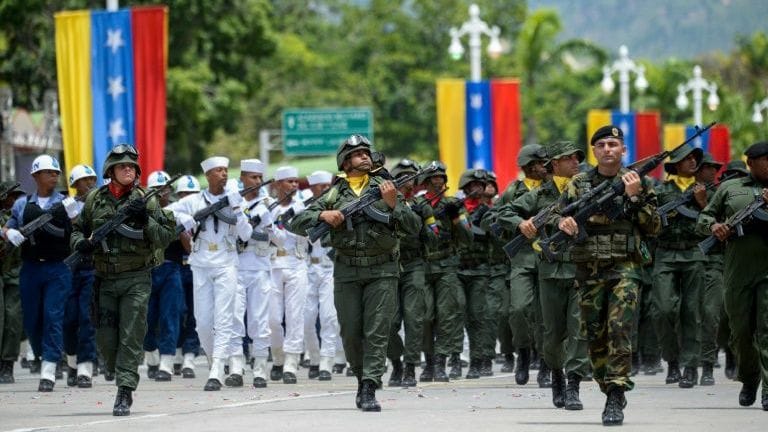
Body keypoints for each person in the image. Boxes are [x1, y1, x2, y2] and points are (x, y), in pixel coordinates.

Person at [288, 135, 420, 411]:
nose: (364, 156)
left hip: (383, 269)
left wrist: (394, 204)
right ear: (345, 162)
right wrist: (324, 216)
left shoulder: (385, 187)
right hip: (347, 270)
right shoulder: (335, 194)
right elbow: (297, 221)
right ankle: (362, 378)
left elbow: (414, 228)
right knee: (349, 331)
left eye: (366, 152)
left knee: (377, 330)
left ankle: (370, 385)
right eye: (357, 154)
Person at [551, 125, 660, 425]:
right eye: (601, 145)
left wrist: (634, 198)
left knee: (620, 329)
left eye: (613, 144)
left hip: (626, 267)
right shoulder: (578, 184)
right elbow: (560, 216)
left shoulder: (639, 182)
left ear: (624, 150)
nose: (608, 149)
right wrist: (564, 224)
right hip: (589, 269)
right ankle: (607, 383)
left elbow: (654, 227)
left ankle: (615, 393)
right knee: (595, 335)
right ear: (594, 152)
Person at [71, 144, 176, 415]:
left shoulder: (147, 199)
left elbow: (165, 237)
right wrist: (80, 243)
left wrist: (145, 220)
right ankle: (115, 368)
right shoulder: (95, 199)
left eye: (132, 165)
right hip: (104, 279)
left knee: (130, 336)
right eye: (122, 166)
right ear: (111, 171)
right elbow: (77, 230)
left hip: (136, 279)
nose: (128, 169)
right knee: (106, 340)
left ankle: (124, 391)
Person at [497, 140, 590, 409]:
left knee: (578, 330)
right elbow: (505, 212)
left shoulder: (588, 189)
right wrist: (522, 223)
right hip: (549, 271)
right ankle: (557, 375)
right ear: (554, 165)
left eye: (577, 158)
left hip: (580, 269)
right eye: (569, 158)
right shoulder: (540, 194)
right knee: (551, 334)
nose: (575, 162)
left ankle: (573, 386)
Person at [165, 156, 253, 391]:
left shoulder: (234, 199)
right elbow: (164, 212)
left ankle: (216, 370)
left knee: (224, 318)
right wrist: (185, 219)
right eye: (218, 170)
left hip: (226, 263)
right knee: (203, 323)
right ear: (208, 175)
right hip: (201, 264)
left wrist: (237, 207)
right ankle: (217, 360)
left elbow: (246, 234)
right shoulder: (194, 201)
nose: (224, 174)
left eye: (225, 170)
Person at [696, 141, 768, 411]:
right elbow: (704, 218)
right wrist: (714, 226)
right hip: (738, 270)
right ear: (750, 163)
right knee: (740, 332)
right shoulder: (729, 188)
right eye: (766, 160)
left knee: (767, 329)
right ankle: (750, 378)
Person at [2, 154, 75, 392]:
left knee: (53, 315)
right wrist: (8, 234)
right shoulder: (23, 204)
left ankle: (49, 369)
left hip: (58, 267)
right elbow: (9, 226)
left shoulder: (66, 202)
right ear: (35, 176)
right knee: (32, 320)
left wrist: (74, 215)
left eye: (56, 173)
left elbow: (80, 228)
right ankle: (45, 355)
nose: (54, 176)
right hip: (31, 267)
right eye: (48, 172)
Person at [494, 144, 550, 386]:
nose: (544, 167)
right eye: (540, 163)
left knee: (547, 315)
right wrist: (518, 224)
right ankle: (523, 354)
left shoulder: (555, 188)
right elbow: (496, 219)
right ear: (529, 166)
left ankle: (548, 364)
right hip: (522, 259)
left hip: (550, 257)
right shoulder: (513, 191)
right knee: (517, 310)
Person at [652, 144, 705, 388]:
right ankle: (672, 361)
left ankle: (691, 366)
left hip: (693, 252)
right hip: (665, 253)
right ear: (677, 164)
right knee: (663, 310)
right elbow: (649, 220)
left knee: (691, 311)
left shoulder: (704, 189)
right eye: (687, 159)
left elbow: (716, 219)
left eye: (695, 158)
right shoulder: (661, 191)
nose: (693, 162)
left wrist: (702, 203)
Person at [417, 161, 473, 382]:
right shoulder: (418, 203)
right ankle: (428, 362)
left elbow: (468, 238)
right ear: (426, 181)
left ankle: (441, 362)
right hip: (423, 266)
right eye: (434, 178)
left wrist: (457, 217)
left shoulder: (454, 204)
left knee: (447, 315)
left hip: (447, 264)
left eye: (441, 177)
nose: (438, 181)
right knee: (424, 315)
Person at [386, 159, 432, 387]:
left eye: (411, 178)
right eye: (403, 178)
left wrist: (425, 219)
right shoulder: (385, 202)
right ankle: (396, 363)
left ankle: (411, 366)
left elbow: (434, 238)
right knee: (389, 321)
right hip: (389, 266)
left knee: (414, 319)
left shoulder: (422, 205)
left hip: (414, 266)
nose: (408, 182)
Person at [234, 159, 276, 388]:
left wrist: (269, 226)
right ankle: (236, 367)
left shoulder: (268, 203)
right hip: (236, 266)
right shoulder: (232, 202)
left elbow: (276, 238)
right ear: (242, 177)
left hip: (259, 265)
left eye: (260, 178)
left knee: (259, 320)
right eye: (253, 177)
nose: (257, 182)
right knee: (234, 318)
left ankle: (260, 368)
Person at [267, 165, 308, 385]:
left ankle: (291, 362)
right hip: (272, 264)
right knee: (273, 318)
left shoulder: (303, 207)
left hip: (296, 263)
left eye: (295, 181)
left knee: (295, 316)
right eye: (289, 181)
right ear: (278, 184)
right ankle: (278, 356)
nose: (294, 185)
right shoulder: (268, 208)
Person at [141, 170, 184, 382]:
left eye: (165, 189)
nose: (161, 194)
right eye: (156, 190)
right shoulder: (141, 213)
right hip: (147, 270)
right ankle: (151, 357)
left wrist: (183, 228)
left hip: (171, 269)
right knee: (146, 319)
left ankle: (166, 363)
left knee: (170, 316)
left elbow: (188, 245)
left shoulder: (177, 211)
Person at [302, 170, 340, 381]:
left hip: (330, 267)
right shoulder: (307, 208)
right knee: (306, 319)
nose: (325, 189)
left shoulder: (340, 206)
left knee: (328, 317)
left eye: (328, 185)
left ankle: (327, 360)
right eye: (320, 186)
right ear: (313, 189)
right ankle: (314, 357)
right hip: (308, 267)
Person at [63, 164, 98, 388]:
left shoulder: (101, 206)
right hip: (67, 270)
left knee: (87, 318)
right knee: (68, 320)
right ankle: (72, 363)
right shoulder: (64, 205)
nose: (90, 183)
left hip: (91, 269)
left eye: (92, 179)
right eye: (85, 180)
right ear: (75, 185)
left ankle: (85, 367)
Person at [456, 169, 491, 379]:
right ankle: (455, 358)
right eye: (474, 185)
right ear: (466, 187)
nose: (478, 189)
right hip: (457, 269)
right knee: (455, 314)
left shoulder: (488, 211)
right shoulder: (456, 209)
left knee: (477, 316)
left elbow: (484, 233)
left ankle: (477, 360)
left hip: (479, 270)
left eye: (482, 184)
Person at [694, 153, 724, 386]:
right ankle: (698, 364)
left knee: (714, 315)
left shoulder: (721, 194)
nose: (712, 171)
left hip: (724, 262)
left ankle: (713, 363)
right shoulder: (684, 190)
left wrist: (704, 202)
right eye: (708, 167)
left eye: (715, 167)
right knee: (705, 313)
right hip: (699, 262)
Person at [173, 175, 201, 379]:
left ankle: (190, 355)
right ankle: (175, 351)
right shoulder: (173, 213)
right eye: (184, 194)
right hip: (177, 268)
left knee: (194, 313)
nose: (188, 198)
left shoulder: (204, 214)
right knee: (176, 311)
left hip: (198, 267)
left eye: (192, 194)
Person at [0, 181, 25, 384]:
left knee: (13, 319)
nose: (15, 200)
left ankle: (8, 363)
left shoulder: (20, 217)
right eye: (12, 195)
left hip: (15, 272)